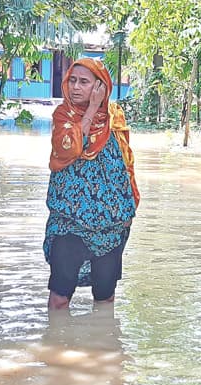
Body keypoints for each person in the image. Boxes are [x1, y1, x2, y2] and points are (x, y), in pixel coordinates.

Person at [43, 58, 140, 309]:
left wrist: (131, 206)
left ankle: (103, 343)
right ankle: (55, 343)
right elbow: (68, 149)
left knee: (105, 295)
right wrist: (89, 111)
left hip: (111, 221)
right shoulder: (63, 114)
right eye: (72, 80)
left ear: (100, 86)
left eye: (84, 82)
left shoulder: (114, 116)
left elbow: (126, 162)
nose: (75, 87)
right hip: (70, 220)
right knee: (60, 296)